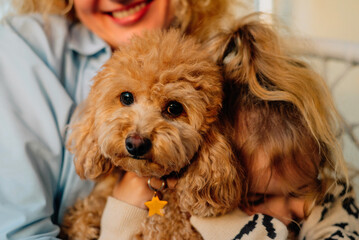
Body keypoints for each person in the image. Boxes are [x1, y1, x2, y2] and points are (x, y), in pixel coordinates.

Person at [0, 1, 289, 239]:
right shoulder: (18, 52)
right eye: (127, 99)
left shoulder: (214, 59)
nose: (137, 135)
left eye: (173, 108)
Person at [216, 14, 359, 239]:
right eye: (257, 199)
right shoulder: (209, 212)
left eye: (300, 191)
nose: (285, 216)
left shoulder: (329, 196)